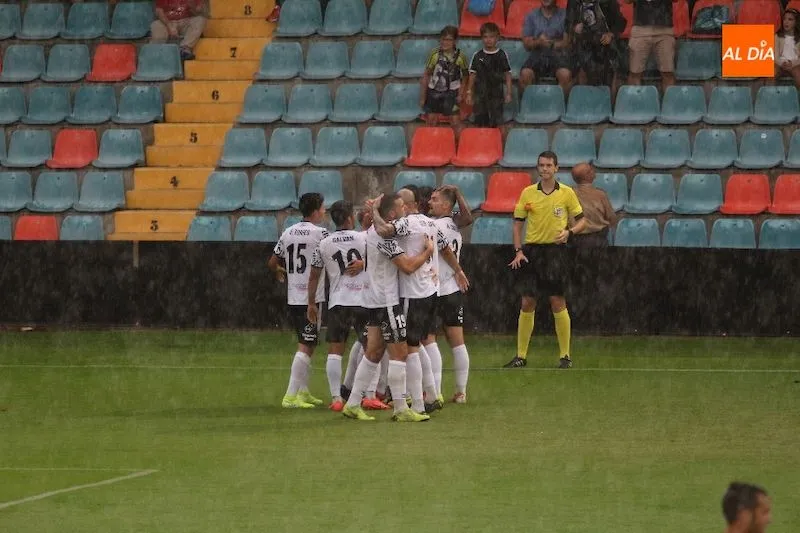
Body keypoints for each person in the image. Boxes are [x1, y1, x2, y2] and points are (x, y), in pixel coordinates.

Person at [372, 188, 466, 415]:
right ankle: (431, 394)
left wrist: (375, 210)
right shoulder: (431, 223)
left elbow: (384, 230)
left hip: (412, 294)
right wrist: (458, 270)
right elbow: (445, 249)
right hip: (431, 291)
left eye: (400, 206)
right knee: (421, 343)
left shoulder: (408, 223)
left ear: (405, 205)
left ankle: (418, 402)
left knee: (409, 349)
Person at [340, 193, 433, 422]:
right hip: (387, 301)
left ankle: (352, 403)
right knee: (400, 354)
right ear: (392, 213)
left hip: (372, 299)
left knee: (373, 353)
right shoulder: (384, 239)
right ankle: (401, 408)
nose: (405, 210)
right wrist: (427, 252)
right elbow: (408, 267)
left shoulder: (373, 233)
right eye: (401, 207)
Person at [504, 151, 587, 369]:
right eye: (541, 165)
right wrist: (518, 250)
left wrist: (570, 232)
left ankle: (565, 356)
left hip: (556, 251)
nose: (545, 169)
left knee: (557, 301)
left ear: (556, 168)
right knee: (527, 301)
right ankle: (521, 355)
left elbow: (582, 221)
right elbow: (517, 223)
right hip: (532, 251)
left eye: (549, 165)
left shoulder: (567, 193)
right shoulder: (528, 193)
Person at [307, 201, 388, 412]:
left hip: (338, 302)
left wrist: (311, 302)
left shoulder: (324, 243)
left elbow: (314, 275)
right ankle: (368, 395)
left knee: (335, 351)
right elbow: (379, 252)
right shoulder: (363, 238)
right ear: (350, 218)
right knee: (372, 348)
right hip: (362, 301)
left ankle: (336, 398)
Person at [268, 193, 329, 408]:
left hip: (294, 296)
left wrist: (279, 272)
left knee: (306, 343)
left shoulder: (288, 232)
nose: (324, 212)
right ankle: (290, 396)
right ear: (314, 211)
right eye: (322, 208)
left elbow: (272, 261)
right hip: (311, 298)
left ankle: (303, 392)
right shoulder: (321, 234)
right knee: (306, 345)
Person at [423, 185, 472, 403]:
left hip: (433, 290)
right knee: (457, 342)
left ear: (445, 205)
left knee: (429, 341)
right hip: (452, 289)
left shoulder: (432, 225)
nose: (429, 202)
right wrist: (459, 194)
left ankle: (435, 392)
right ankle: (460, 392)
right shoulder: (453, 223)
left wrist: (457, 269)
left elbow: (443, 250)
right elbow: (468, 218)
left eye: (434, 199)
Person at [567, 0, 626, 87]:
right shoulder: (574, 2)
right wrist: (574, 27)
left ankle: (610, 98)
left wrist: (611, 34)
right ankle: (584, 98)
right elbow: (567, 23)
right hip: (583, 43)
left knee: (612, 73)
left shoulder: (608, 2)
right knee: (581, 70)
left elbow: (620, 23)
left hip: (605, 44)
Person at [420, 26, 470, 130]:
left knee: (455, 121)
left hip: (452, 93)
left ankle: (457, 144)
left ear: (455, 41)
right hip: (434, 92)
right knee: (431, 120)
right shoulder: (434, 54)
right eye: (443, 39)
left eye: (448, 40)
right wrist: (423, 97)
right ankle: (432, 144)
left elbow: (466, 77)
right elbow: (427, 74)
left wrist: (461, 93)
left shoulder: (461, 57)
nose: (445, 42)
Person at [519, 0, 572, 95]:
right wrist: (539, 42)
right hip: (537, 54)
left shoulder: (565, 15)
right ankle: (529, 107)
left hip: (558, 55)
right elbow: (526, 44)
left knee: (565, 75)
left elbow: (567, 42)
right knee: (525, 74)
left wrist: (551, 44)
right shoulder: (531, 16)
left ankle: (560, 108)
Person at [466, 22, 513, 128]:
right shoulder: (477, 55)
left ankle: (500, 143)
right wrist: (469, 92)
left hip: (496, 94)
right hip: (480, 94)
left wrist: (509, 93)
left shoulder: (502, 54)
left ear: (497, 38)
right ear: (482, 38)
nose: (488, 40)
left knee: (498, 123)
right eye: (485, 37)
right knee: (480, 123)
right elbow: (472, 75)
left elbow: (507, 74)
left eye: (492, 37)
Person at [625, 0, 676, 90]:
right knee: (635, 72)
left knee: (668, 72)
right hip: (640, 30)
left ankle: (669, 102)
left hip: (665, 30)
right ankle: (634, 102)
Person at [569, 163, 616, 247]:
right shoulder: (600, 195)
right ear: (588, 175)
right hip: (597, 239)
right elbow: (611, 218)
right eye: (591, 170)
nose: (594, 171)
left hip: (574, 240)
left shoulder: (569, 194)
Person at [775, 8, 800, 87]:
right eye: (784, 19)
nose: (786, 22)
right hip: (780, 64)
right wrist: (782, 63)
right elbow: (775, 56)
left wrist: (792, 63)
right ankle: (770, 96)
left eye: (790, 19)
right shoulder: (777, 36)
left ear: (796, 22)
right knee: (772, 73)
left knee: (798, 74)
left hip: (794, 64)